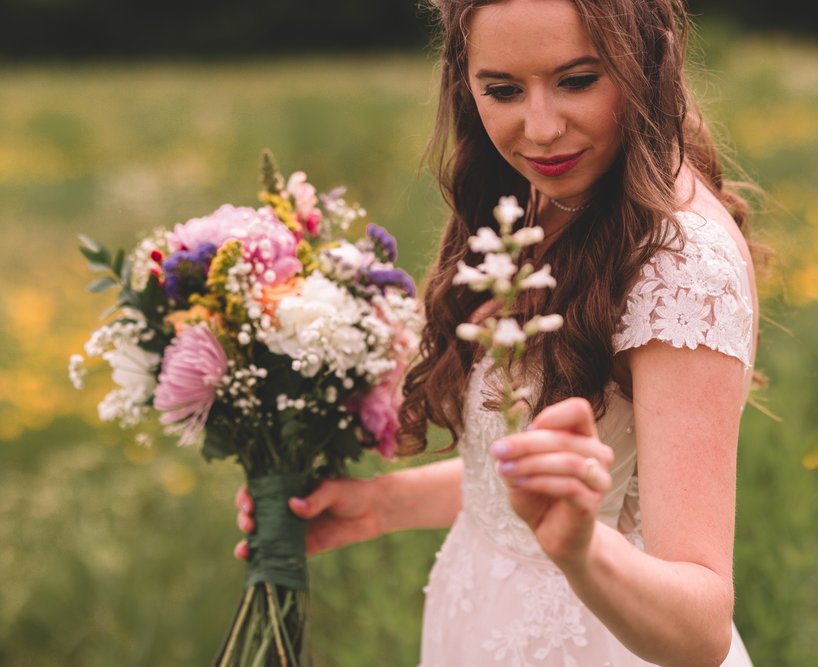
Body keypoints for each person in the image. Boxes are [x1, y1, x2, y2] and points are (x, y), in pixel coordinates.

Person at [237, 0, 759, 664]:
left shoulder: (681, 264)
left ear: (644, 63)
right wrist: (382, 503)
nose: (540, 129)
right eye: (503, 90)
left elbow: (701, 627)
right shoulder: (558, 191)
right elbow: (526, 486)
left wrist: (578, 547)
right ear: (465, 80)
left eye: (578, 80)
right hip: (481, 618)